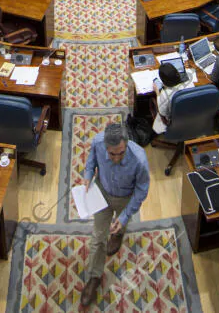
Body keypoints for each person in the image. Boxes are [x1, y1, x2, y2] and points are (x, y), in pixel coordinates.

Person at [81, 123, 150, 307]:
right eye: (112, 154)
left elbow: (142, 191)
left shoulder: (140, 160)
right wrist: (88, 175)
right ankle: (94, 278)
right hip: (102, 192)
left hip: (125, 198)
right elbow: (91, 161)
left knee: (120, 224)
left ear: (126, 144)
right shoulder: (97, 142)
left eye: (121, 152)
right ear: (105, 146)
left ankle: (118, 235)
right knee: (98, 237)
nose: (117, 157)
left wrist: (125, 216)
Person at [152, 61, 196, 134]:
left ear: (163, 81)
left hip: (173, 123)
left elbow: (162, 113)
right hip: (192, 116)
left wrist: (157, 93)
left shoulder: (165, 95)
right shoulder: (190, 83)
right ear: (177, 73)